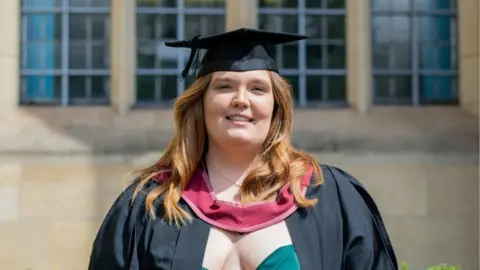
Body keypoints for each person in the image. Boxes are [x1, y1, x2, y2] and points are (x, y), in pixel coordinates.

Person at [88, 28, 398, 270]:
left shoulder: (328, 196)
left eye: (257, 88)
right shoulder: (149, 203)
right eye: (224, 86)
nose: (241, 99)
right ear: (200, 104)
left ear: (276, 106)